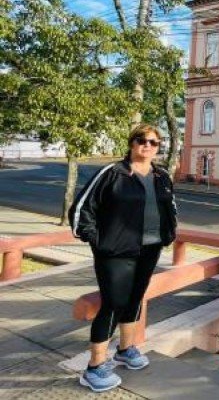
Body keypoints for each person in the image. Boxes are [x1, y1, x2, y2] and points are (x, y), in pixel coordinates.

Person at [69, 124, 177, 392]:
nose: (148, 145)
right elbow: (81, 209)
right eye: (142, 140)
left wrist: (169, 234)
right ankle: (94, 366)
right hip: (116, 253)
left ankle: (126, 349)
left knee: (135, 298)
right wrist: (99, 241)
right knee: (113, 304)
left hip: (149, 249)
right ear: (131, 143)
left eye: (153, 142)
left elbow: (171, 207)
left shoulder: (162, 175)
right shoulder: (112, 173)